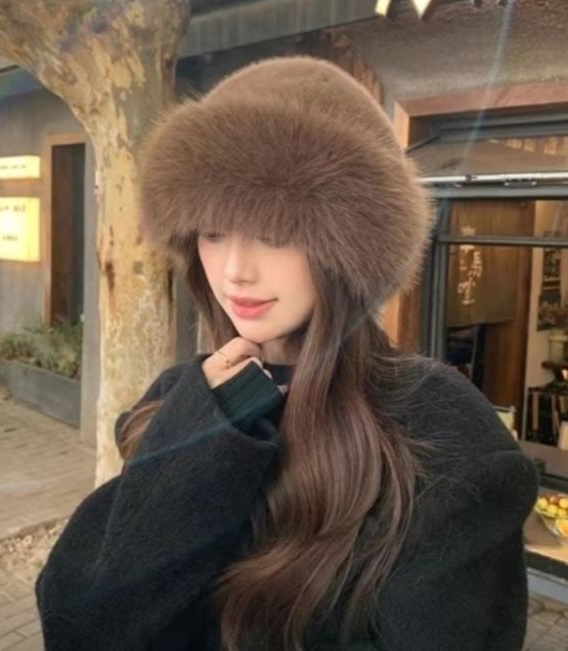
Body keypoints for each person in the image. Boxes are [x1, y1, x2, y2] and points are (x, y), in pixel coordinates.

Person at [34, 57, 539, 651]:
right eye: (213, 231)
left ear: (348, 248)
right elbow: (82, 625)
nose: (235, 270)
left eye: (275, 232)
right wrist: (199, 435)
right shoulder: (180, 397)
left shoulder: (442, 434)